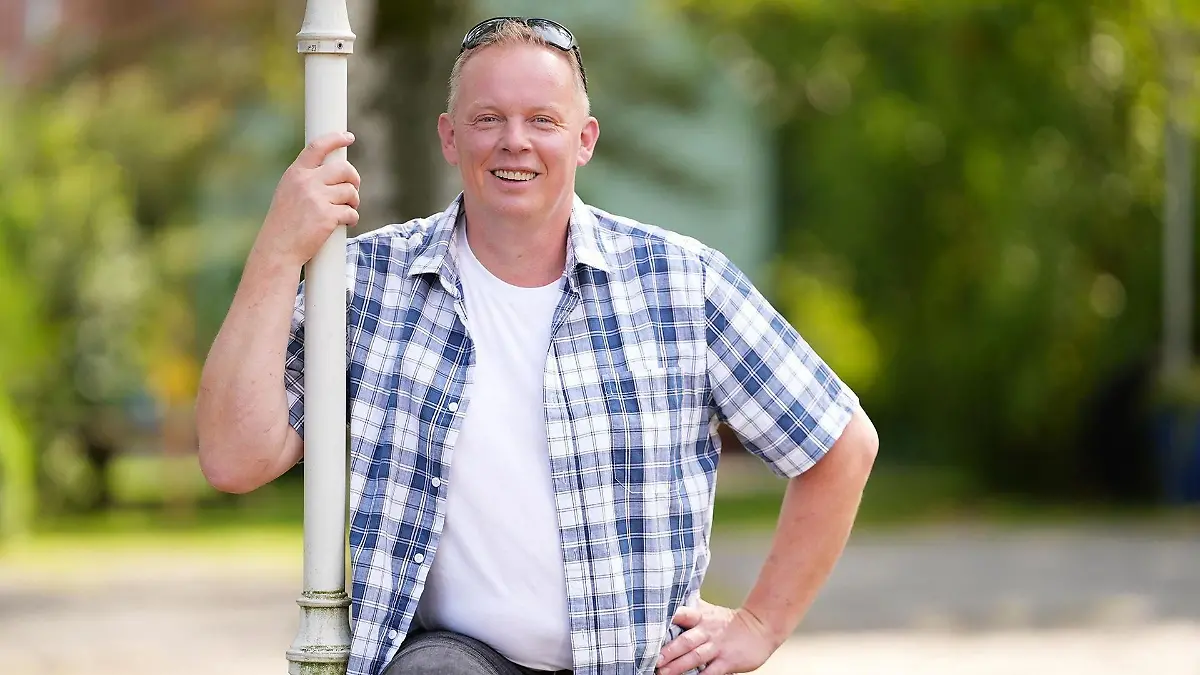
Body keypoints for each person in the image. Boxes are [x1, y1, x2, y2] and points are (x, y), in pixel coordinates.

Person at [196, 16, 878, 675]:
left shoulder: (680, 282)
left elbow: (842, 443)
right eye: (488, 118)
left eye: (542, 120)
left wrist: (760, 623)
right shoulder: (369, 285)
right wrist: (278, 251)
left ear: (584, 139)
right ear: (450, 137)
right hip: (453, 662)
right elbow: (235, 455)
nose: (513, 141)